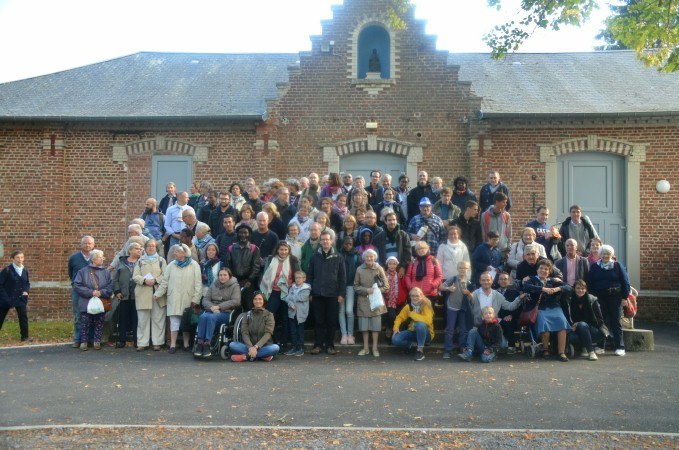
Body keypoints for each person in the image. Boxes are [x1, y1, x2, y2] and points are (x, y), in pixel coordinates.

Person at [153, 243, 202, 354]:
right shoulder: (171, 265)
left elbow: (198, 284)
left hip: (188, 297)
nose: (175, 253)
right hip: (173, 297)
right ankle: (173, 344)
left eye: (177, 251)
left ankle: (186, 344)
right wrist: (158, 293)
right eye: (175, 251)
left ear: (184, 253)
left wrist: (196, 299)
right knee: (174, 321)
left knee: (186, 322)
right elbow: (165, 282)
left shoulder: (194, 265)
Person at [523, 259, 572, 361]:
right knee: (544, 323)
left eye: (546, 269)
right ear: (537, 270)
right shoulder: (532, 280)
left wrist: (558, 288)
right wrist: (543, 289)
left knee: (562, 322)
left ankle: (561, 352)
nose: (543, 271)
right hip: (539, 308)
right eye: (541, 268)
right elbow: (526, 287)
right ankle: (545, 350)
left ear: (549, 271)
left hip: (554, 307)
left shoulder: (553, 281)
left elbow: (569, 288)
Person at [586, 245, 631, 356]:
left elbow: (625, 282)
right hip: (600, 298)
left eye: (608, 254)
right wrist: (593, 297)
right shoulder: (595, 267)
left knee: (616, 321)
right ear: (600, 255)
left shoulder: (617, 266)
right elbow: (590, 283)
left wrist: (625, 297)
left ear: (612, 255)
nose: (606, 256)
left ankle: (620, 346)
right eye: (604, 253)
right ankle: (601, 346)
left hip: (615, 297)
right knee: (601, 321)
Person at [307, 229, 346, 355]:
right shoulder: (314, 257)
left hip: (333, 295)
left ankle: (330, 345)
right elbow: (310, 276)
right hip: (317, 294)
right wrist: (310, 293)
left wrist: (341, 294)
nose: (325, 242)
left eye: (327, 240)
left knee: (331, 322)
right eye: (323, 240)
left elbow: (342, 277)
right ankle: (318, 345)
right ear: (320, 241)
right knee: (318, 321)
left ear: (331, 241)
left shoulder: (338, 257)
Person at [260, 240, 300, 349]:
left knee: (285, 318)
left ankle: (284, 342)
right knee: (270, 316)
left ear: (289, 250)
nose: (283, 252)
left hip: (288, 292)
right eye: (281, 249)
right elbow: (265, 273)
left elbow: (298, 275)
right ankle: (272, 339)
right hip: (273, 292)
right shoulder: (271, 259)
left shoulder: (293, 260)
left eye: (286, 250)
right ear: (277, 250)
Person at [195, 267, 241, 357]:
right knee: (203, 317)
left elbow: (236, 301)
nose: (222, 277)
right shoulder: (214, 284)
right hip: (211, 310)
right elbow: (205, 299)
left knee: (211, 317)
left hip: (226, 312)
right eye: (220, 275)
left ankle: (207, 344)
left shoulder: (235, 286)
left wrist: (219, 307)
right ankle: (200, 343)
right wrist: (211, 307)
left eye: (225, 275)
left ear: (229, 276)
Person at [73, 249, 113, 351]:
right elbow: (77, 285)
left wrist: (101, 292)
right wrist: (91, 292)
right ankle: (84, 342)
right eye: (100, 257)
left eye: (102, 257)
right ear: (93, 259)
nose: (102, 259)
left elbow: (110, 286)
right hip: (86, 302)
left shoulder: (106, 272)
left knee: (99, 322)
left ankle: (97, 341)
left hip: (101, 302)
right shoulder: (82, 272)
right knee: (85, 323)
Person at [132, 239, 167, 351]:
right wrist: (144, 281)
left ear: (156, 248)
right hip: (143, 292)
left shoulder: (161, 260)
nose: (151, 248)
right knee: (143, 320)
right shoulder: (140, 261)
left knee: (158, 319)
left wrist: (156, 280)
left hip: (158, 293)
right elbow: (135, 276)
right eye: (149, 246)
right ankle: (142, 343)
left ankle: (157, 342)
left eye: (153, 246)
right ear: (145, 248)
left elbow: (166, 275)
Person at [353, 249, 388, 357]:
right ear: (364, 258)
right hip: (363, 301)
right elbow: (355, 286)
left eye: (371, 256)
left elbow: (386, 286)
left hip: (376, 301)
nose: (369, 258)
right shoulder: (359, 269)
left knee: (375, 327)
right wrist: (366, 290)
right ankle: (365, 348)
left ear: (375, 258)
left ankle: (375, 348)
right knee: (364, 327)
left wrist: (376, 290)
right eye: (367, 256)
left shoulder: (379, 268)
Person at [565, 279, 608, 361]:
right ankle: (584, 346)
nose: (580, 290)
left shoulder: (592, 300)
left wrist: (580, 323)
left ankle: (591, 352)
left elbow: (600, 320)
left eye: (582, 288)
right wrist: (572, 325)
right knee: (572, 334)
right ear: (574, 289)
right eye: (578, 288)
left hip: (593, 330)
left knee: (582, 325)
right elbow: (567, 317)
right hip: (574, 331)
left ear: (586, 289)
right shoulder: (569, 301)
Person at [229, 291, 279, 361]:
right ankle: (262, 356)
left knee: (275, 348)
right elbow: (244, 332)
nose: (257, 301)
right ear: (252, 301)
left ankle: (246, 356)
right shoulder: (247, 315)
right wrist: (250, 347)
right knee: (232, 345)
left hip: (263, 346)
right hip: (248, 346)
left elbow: (268, 333)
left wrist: (256, 347)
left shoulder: (269, 315)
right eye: (255, 299)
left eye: (260, 299)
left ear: (264, 301)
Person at [112, 241, 143, 349]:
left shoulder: (142, 262)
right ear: (130, 250)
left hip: (137, 295)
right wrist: (117, 291)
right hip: (124, 295)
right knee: (123, 319)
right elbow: (115, 279)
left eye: (140, 249)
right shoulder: (121, 262)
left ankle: (136, 340)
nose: (139, 250)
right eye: (137, 248)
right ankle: (122, 340)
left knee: (136, 319)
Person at [441, 261, 474, 358]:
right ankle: (448, 350)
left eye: (465, 268)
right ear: (457, 269)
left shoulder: (469, 282)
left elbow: (473, 298)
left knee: (463, 330)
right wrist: (449, 288)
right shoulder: (453, 279)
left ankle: (462, 348)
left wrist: (467, 292)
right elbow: (441, 287)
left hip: (463, 309)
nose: (462, 270)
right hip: (452, 307)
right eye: (460, 268)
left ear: (468, 269)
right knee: (450, 329)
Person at [224, 223, 261, 311]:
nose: (243, 235)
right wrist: (231, 280)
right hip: (234, 282)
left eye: (245, 233)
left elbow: (256, 267)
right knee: (234, 306)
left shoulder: (254, 249)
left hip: (248, 282)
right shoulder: (231, 248)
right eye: (240, 233)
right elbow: (227, 265)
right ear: (237, 234)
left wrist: (250, 280)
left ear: (249, 234)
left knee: (248, 305)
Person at [391, 287, 435, 361]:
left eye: (417, 296)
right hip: (412, 332)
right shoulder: (408, 306)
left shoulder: (426, 305)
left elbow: (428, 320)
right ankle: (411, 345)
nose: (414, 298)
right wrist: (396, 328)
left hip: (426, 334)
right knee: (395, 339)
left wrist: (413, 314)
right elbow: (399, 318)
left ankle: (420, 351)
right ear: (410, 296)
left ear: (421, 295)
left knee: (420, 324)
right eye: (412, 296)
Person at [68, 235, 95, 348]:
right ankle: (77, 339)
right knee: (78, 315)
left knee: (93, 314)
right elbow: (71, 273)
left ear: (93, 245)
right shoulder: (74, 258)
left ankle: (90, 339)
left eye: (90, 243)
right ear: (81, 244)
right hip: (78, 291)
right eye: (85, 243)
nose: (87, 245)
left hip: (92, 292)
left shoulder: (96, 256)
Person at [0, 250, 31, 341]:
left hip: (20, 298)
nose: (20, 259)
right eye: (17, 257)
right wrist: (5, 298)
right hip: (7, 298)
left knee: (23, 317)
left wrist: (26, 291)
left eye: (22, 257)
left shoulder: (24, 270)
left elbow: (27, 283)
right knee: (0, 317)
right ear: (12, 259)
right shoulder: (7, 270)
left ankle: (25, 337)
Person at [373, 211, 412, 277]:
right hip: (385, 270)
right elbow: (377, 254)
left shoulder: (403, 235)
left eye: (394, 220)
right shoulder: (379, 237)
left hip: (399, 270)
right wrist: (382, 268)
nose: (392, 222)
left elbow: (408, 253)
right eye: (389, 220)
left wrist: (403, 267)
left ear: (396, 221)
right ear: (385, 222)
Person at [283, 271, 311, 356]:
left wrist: (291, 297)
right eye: (296, 278)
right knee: (293, 331)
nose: (298, 279)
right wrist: (290, 304)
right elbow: (287, 299)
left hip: (301, 314)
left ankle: (300, 348)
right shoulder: (292, 287)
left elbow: (302, 298)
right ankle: (294, 347)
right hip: (292, 313)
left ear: (304, 279)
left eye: (300, 278)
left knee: (300, 331)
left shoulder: (306, 289)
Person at [339, 236, 360, 345]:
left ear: (353, 245)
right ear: (343, 244)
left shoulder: (356, 255)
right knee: (341, 310)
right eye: (346, 244)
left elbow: (359, 270)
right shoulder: (339, 255)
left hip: (351, 285)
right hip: (340, 286)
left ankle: (350, 334)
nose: (348, 246)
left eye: (350, 244)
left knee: (349, 310)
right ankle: (344, 334)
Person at [495, 271, 521, 354]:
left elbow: (519, 308)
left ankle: (511, 346)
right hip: (496, 317)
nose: (503, 281)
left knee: (507, 322)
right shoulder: (494, 293)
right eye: (501, 279)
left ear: (509, 281)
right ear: (498, 281)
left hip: (510, 318)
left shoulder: (514, 292)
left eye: (505, 279)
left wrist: (511, 315)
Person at [383, 256, 408, 340]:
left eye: (394, 264)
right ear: (387, 264)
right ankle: (389, 327)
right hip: (388, 299)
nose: (392, 266)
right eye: (390, 264)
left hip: (397, 299)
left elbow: (404, 287)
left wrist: (403, 297)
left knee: (398, 316)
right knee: (392, 316)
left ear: (397, 265)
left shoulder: (399, 275)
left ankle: (396, 331)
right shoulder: (384, 275)